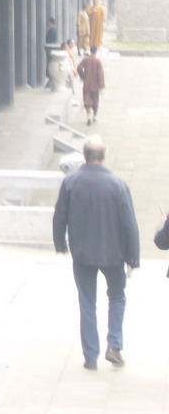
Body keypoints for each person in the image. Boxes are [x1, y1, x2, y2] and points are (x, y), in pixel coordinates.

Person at [53, 135, 140, 370]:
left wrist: (60, 243)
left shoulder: (71, 182)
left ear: (85, 155)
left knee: (87, 302)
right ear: (104, 155)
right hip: (114, 254)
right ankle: (114, 345)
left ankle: (90, 355)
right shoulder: (118, 184)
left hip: (82, 253)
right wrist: (133, 257)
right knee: (117, 297)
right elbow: (129, 223)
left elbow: (59, 215)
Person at [77, 46, 105, 125]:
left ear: (90, 51)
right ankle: (94, 116)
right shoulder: (98, 61)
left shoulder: (86, 60)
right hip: (95, 85)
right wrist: (101, 85)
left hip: (87, 84)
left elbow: (79, 68)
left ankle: (88, 115)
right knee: (95, 101)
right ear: (96, 52)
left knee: (87, 100)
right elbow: (100, 74)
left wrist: (83, 76)